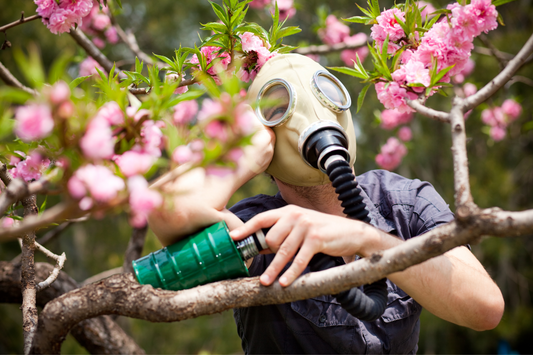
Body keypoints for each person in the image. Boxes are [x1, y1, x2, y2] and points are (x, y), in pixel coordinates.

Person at [148, 54, 504, 354]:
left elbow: (484, 308)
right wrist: (238, 152)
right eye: (280, 108)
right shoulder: (256, 227)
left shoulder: (404, 202)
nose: (312, 114)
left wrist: (366, 238)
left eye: (325, 93)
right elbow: (168, 209)